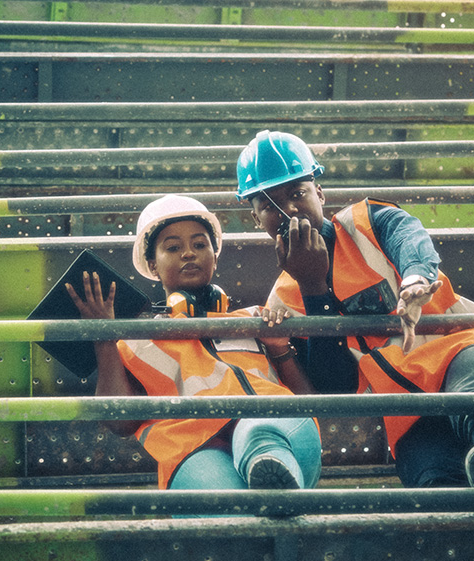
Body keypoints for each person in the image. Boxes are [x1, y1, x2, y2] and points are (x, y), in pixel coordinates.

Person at [234, 130, 474, 488]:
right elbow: (337, 386)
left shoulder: (366, 221)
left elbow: (409, 236)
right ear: (255, 219)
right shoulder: (284, 303)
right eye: (269, 205)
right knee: (431, 481)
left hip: (469, 356)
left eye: (297, 193)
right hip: (408, 407)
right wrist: (314, 287)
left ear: (319, 193)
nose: (288, 210)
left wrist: (414, 283)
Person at [66, 194, 322, 492]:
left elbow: (309, 402)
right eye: (173, 248)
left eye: (200, 245)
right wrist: (105, 340)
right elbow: (120, 424)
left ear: (215, 254)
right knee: (219, 499)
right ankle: (267, 502)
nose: (188, 253)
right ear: (152, 263)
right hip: (194, 450)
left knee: (259, 433)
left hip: (282, 432)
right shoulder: (136, 341)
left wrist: (279, 347)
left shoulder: (257, 319)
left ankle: (268, 465)